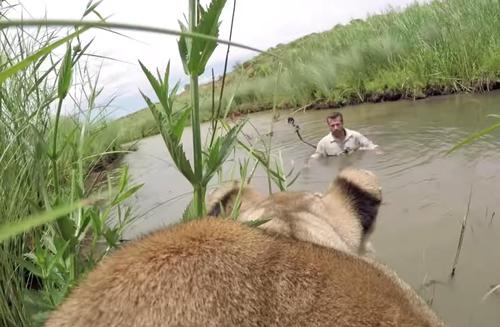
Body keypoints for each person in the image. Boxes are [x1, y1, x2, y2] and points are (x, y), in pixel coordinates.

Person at [311, 112, 378, 158]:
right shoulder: (323, 143)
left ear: (342, 123)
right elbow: (316, 157)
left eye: (337, 124)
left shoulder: (355, 135)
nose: (335, 128)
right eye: (332, 125)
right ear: (328, 126)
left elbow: (370, 145)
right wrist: (308, 164)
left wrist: (378, 151)